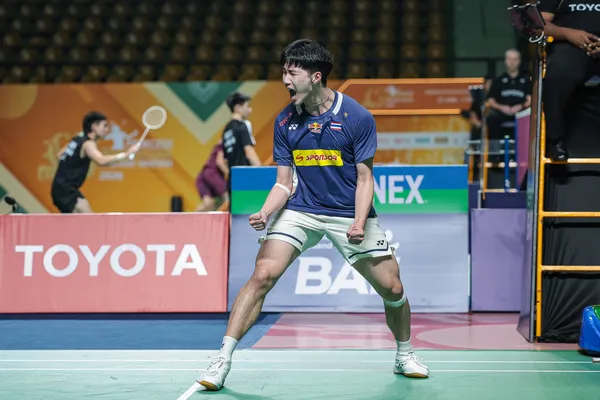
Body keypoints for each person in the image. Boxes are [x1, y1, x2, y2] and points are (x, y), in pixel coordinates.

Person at [196, 39, 429, 392]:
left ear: (315, 76)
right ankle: (222, 360)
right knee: (262, 274)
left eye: (292, 73)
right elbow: (283, 182)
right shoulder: (285, 121)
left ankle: (404, 353)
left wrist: (358, 221)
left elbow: (365, 179)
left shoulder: (357, 117)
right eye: (283, 72)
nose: (285, 80)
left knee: (392, 287)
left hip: (347, 212)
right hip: (301, 209)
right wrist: (266, 211)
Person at [538, 0, 600, 161]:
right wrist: (567, 33)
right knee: (557, 75)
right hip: (569, 44)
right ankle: (555, 141)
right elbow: (539, 25)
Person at [51, 111, 138, 213]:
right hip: (67, 191)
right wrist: (125, 155)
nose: (107, 129)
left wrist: (70, 166)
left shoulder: (77, 139)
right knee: (90, 218)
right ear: (94, 126)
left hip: (59, 189)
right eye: (104, 126)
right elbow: (101, 160)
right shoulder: (88, 144)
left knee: (81, 220)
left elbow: (59, 155)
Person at [486, 49, 532, 142]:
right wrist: (502, 107)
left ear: (519, 61)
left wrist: (520, 106)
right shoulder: (498, 80)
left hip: (521, 112)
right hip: (502, 113)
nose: (512, 62)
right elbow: (491, 101)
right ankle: (496, 148)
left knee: (531, 117)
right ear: (505, 61)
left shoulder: (527, 81)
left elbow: (530, 100)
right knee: (491, 118)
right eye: (510, 59)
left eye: (515, 59)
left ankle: (526, 146)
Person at [221, 91, 261, 197]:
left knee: (236, 208)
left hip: (232, 181)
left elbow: (225, 160)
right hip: (246, 179)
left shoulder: (226, 130)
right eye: (247, 106)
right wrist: (261, 173)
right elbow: (249, 153)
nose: (250, 110)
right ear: (238, 108)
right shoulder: (242, 126)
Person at [194, 141, 229, 211]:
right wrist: (230, 174)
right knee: (228, 195)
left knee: (209, 204)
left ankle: (191, 217)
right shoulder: (225, 143)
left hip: (202, 177)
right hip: (211, 173)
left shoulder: (221, 144)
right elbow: (220, 162)